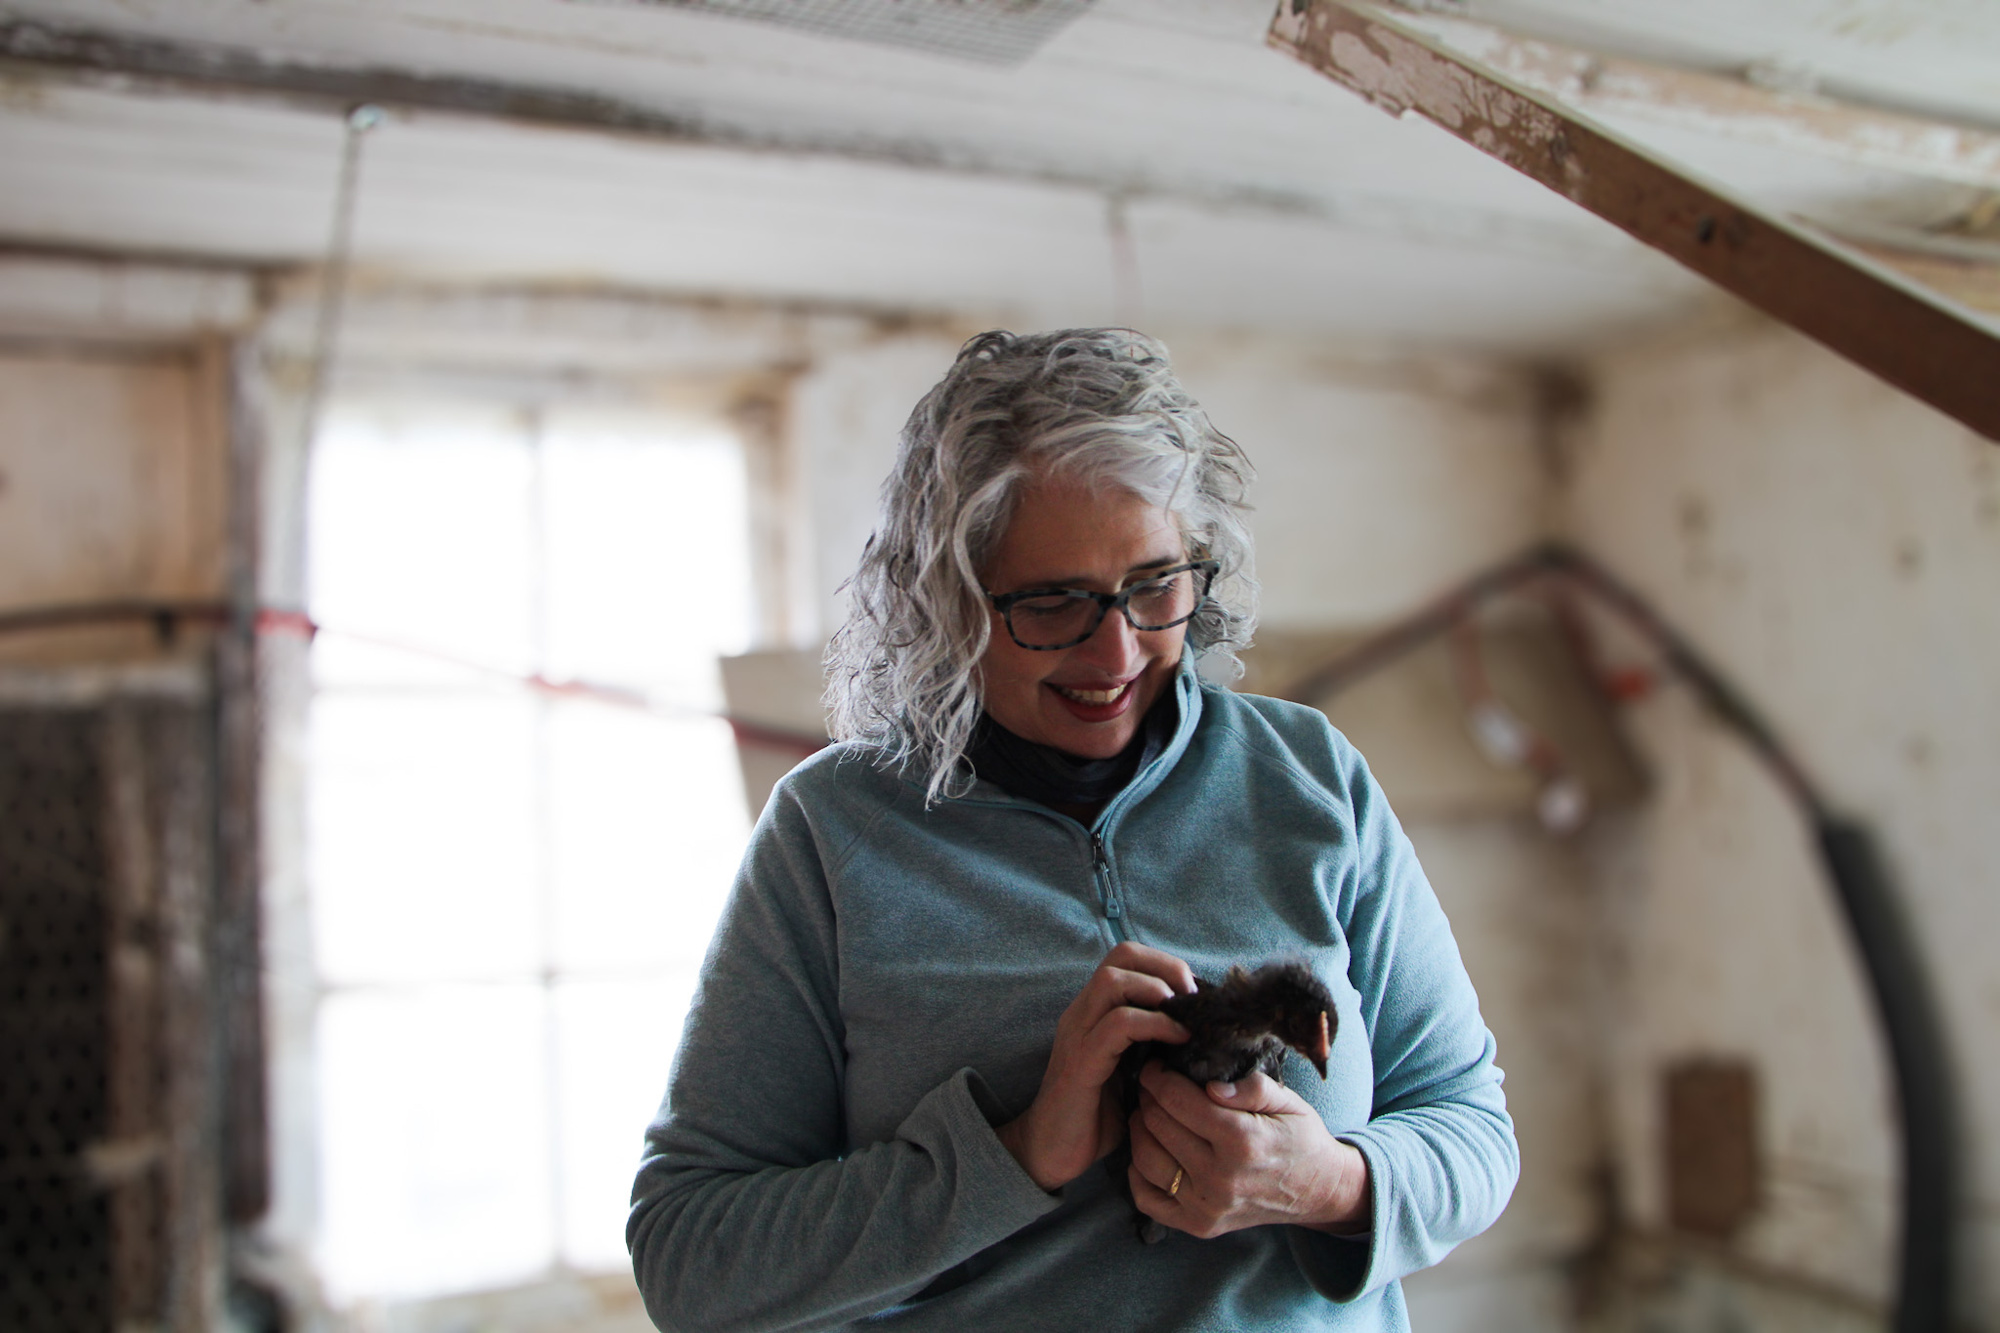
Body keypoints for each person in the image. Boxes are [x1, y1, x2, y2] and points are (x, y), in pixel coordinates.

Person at [628, 329, 1517, 1331]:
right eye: (1051, 602)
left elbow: (1472, 1132)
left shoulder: (1309, 778)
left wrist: (1327, 1184)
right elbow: (689, 1260)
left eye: (1152, 585)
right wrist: (1009, 1157)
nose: (1117, 650)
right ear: (947, 601)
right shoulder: (832, 832)